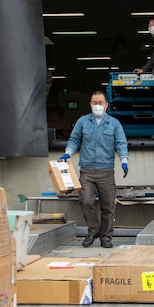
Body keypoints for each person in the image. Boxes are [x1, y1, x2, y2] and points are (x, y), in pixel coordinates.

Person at [59, 90, 129, 249]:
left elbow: (121, 143)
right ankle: (93, 231)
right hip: (87, 171)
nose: (97, 105)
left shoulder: (114, 123)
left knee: (108, 206)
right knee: (85, 201)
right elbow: (74, 140)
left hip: (106, 171)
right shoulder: (83, 122)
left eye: (100, 103)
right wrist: (67, 154)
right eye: (94, 102)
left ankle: (106, 237)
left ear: (106, 105)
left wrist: (124, 161)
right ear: (90, 104)